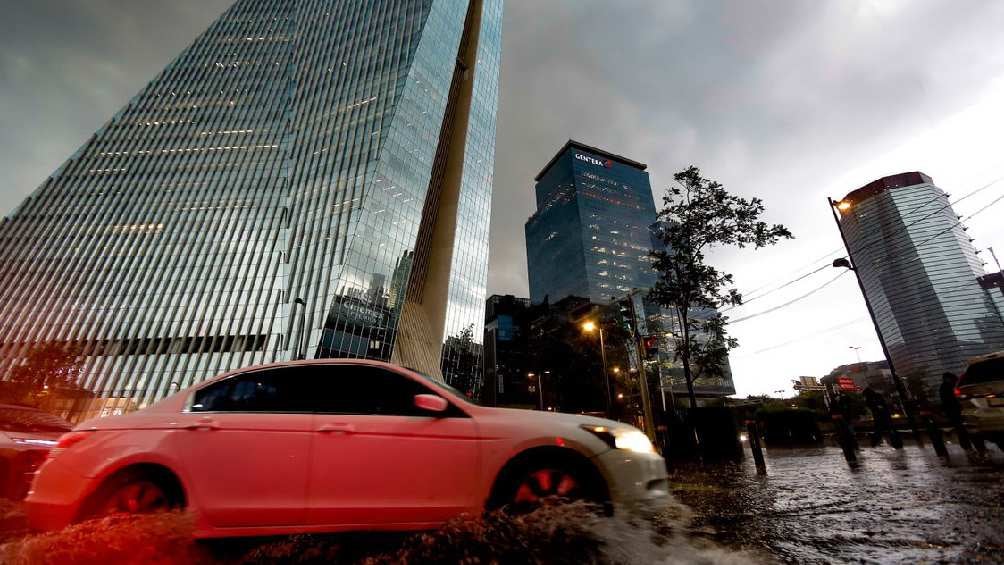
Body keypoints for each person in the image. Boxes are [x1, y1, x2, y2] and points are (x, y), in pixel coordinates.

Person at [939, 372, 974, 451]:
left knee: (961, 430)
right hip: (959, 410)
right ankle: (971, 447)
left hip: (953, 411)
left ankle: (967, 447)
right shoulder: (953, 385)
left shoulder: (944, 387)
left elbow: (945, 401)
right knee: (965, 429)